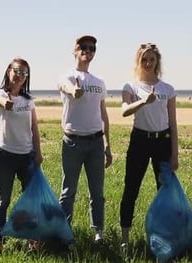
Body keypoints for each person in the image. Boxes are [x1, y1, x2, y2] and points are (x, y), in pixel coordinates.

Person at [119, 43, 179, 248]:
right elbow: (125, 111)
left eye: (151, 59)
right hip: (140, 141)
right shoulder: (131, 87)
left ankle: (165, 236)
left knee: (164, 190)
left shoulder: (167, 89)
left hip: (162, 141)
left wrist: (174, 154)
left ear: (157, 62)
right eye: (144, 59)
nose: (148, 63)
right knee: (131, 188)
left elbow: (173, 123)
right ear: (138, 61)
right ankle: (125, 237)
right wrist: (144, 101)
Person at [57, 35, 113, 243]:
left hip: (96, 142)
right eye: (83, 47)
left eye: (92, 49)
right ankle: (64, 231)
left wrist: (108, 144)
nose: (87, 51)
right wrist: (74, 91)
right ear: (75, 50)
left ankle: (98, 231)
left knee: (97, 191)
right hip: (72, 142)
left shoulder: (99, 82)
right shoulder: (68, 76)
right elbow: (64, 86)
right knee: (68, 190)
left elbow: (103, 114)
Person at [0, 57, 43, 252]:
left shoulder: (28, 101)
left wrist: (38, 151)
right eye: (17, 71)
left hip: (27, 156)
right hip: (5, 156)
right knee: (1, 200)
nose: (20, 76)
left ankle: (32, 240)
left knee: (30, 200)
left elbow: (34, 126)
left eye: (24, 73)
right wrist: (7, 102)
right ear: (8, 71)